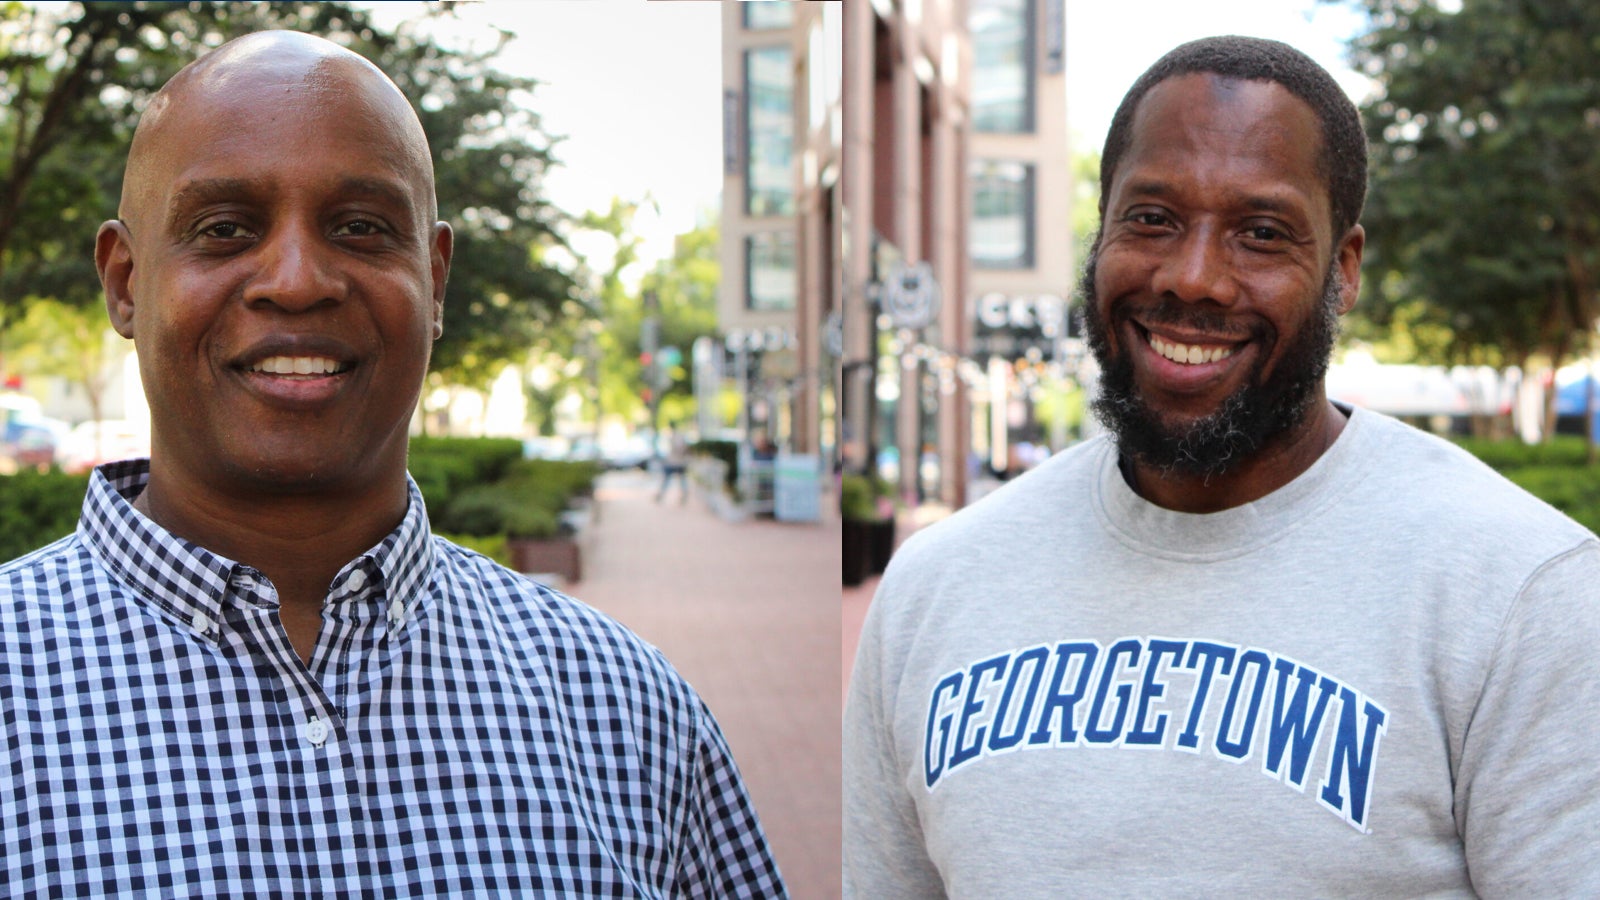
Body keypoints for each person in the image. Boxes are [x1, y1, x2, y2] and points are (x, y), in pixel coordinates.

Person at [0, 32, 785, 897]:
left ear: (435, 280)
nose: (297, 282)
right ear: (124, 282)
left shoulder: (630, 713)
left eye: (362, 228)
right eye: (224, 229)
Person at [844, 35, 1600, 897]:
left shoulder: (1521, 596)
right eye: (1153, 218)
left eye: (1261, 232)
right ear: (1102, 235)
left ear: (1343, 271)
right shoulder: (935, 588)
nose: (1194, 276)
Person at [657, 420, 690, 504]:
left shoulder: (676, 436)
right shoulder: (677, 435)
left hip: (675, 462)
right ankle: (683, 495)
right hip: (677, 462)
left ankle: (662, 494)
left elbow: (680, 448)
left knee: (671, 479)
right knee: (679, 479)